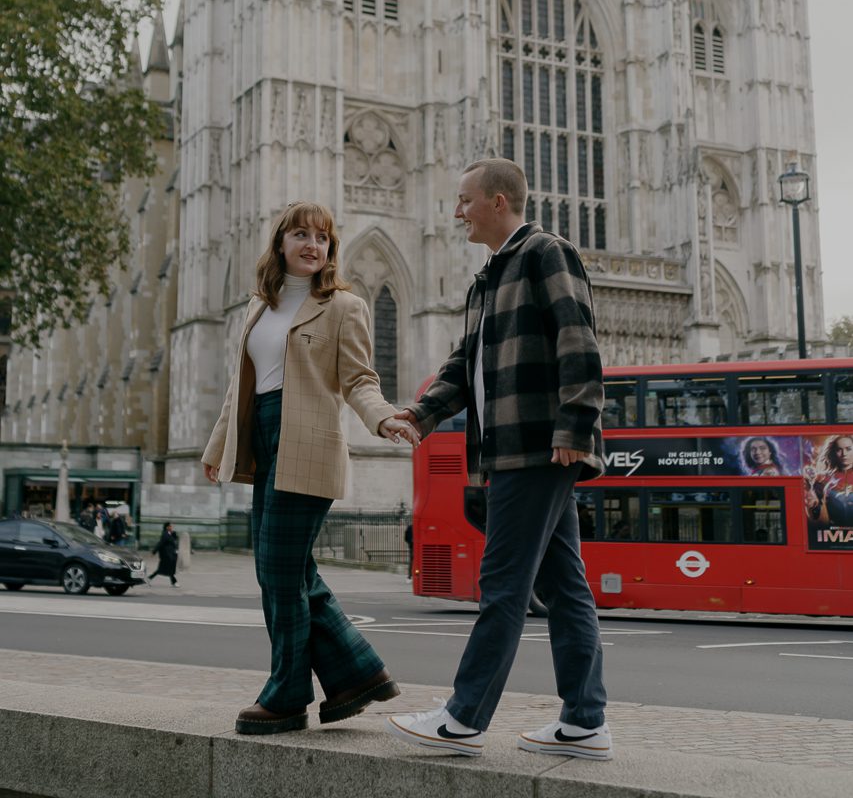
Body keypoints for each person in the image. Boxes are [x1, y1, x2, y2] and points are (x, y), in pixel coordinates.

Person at [386, 159, 611, 761]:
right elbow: (465, 364)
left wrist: (576, 425)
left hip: (535, 446)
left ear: (498, 201)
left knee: (503, 583)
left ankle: (463, 716)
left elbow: (579, 340)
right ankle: (585, 722)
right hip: (511, 449)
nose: (456, 212)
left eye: (464, 201)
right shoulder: (491, 276)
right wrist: (421, 415)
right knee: (564, 588)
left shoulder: (545, 253)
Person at [201, 200, 419, 736]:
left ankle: (289, 692)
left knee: (277, 570)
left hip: (309, 444)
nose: (311, 246)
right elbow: (242, 388)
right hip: (264, 439)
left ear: (330, 251)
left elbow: (359, 379)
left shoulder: (344, 305)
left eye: (321, 239)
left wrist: (384, 418)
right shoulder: (261, 306)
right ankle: (356, 675)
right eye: (300, 235)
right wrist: (216, 448)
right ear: (280, 243)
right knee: (292, 572)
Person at [805, 434, 853, 528]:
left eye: (848, 449)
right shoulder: (822, 479)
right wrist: (812, 502)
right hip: (833, 533)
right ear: (833, 452)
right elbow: (815, 514)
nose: (844, 454)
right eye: (839, 449)